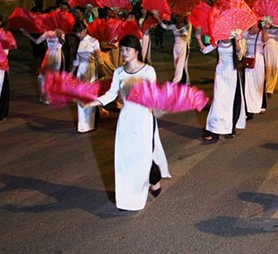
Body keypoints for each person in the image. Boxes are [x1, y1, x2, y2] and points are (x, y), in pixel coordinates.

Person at [85, 35, 169, 211]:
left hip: (144, 118)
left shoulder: (148, 71)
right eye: (122, 49)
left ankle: (154, 179)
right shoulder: (119, 72)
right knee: (126, 159)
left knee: (146, 155)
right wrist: (94, 102)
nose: (123, 53)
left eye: (127, 49)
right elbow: (112, 94)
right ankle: (129, 198)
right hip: (126, 120)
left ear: (137, 51)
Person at [199, 33, 247, 141]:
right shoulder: (218, 40)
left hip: (231, 74)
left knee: (229, 103)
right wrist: (199, 39)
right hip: (220, 74)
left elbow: (240, 54)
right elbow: (205, 50)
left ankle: (230, 128)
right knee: (218, 102)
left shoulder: (236, 40)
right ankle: (214, 130)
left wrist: (238, 42)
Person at [73, 21, 103, 133]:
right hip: (81, 70)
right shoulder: (78, 43)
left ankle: (90, 123)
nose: (78, 34)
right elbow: (76, 61)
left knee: (90, 96)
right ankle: (82, 125)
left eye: (80, 31)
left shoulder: (94, 41)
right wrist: (70, 74)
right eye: (76, 32)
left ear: (85, 29)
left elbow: (99, 58)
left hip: (91, 70)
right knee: (80, 97)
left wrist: (102, 70)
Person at [23, 27, 65, 104]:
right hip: (49, 55)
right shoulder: (47, 33)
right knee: (41, 76)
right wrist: (27, 35)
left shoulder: (60, 32)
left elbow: (62, 42)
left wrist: (59, 36)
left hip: (57, 55)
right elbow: (37, 42)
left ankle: (51, 96)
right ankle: (43, 95)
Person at [243, 22, 268, 116]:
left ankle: (259, 104)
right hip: (249, 59)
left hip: (259, 60)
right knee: (249, 84)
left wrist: (265, 29)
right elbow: (239, 38)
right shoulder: (247, 32)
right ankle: (249, 106)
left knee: (258, 83)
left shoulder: (261, 31)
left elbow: (265, 40)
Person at [160, 14, 192, 84]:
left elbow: (186, 37)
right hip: (176, 47)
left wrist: (180, 32)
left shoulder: (187, 27)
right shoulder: (174, 26)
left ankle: (177, 82)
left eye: (180, 16)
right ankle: (184, 82)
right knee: (177, 65)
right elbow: (165, 27)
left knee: (180, 65)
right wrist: (159, 19)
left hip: (183, 47)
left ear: (184, 18)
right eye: (177, 16)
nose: (178, 18)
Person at [263, 19, 278, 96]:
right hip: (266, 47)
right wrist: (265, 28)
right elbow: (264, 39)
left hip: (275, 47)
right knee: (267, 67)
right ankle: (266, 86)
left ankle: (270, 87)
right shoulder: (264, 26)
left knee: (273, 67)